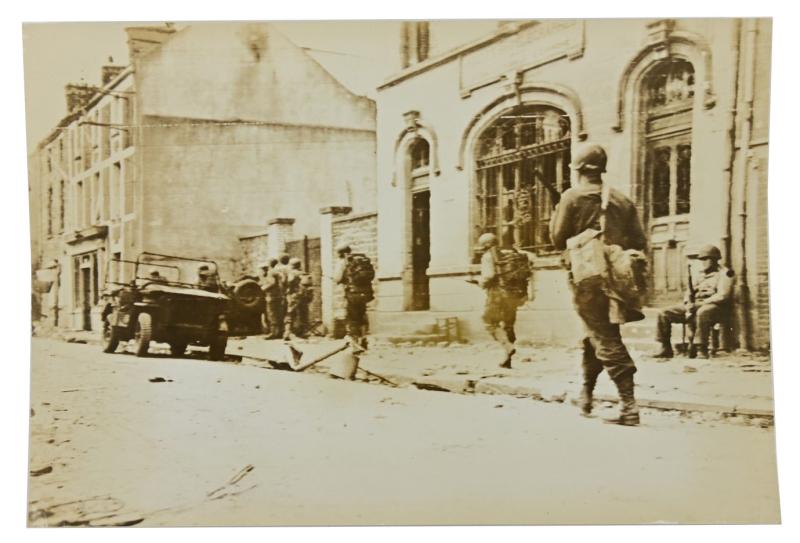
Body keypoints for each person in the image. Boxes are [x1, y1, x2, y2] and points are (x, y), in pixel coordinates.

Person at [550, 143, 647, 426]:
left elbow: (557, 239)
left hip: (587, 280)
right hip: (617, 279)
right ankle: (587, 395)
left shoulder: (572, 197)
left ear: (578, 170)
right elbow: (639, 242)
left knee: (605, 336)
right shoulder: (622, 200)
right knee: (595, 333)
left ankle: (629, 408)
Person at [653, 244, 733, 359]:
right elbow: (689, 291)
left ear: (715, 260)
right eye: (702, 259)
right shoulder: (699, 274)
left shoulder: (725, 274)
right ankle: (665, 347)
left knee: (703, 312)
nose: (703, 262)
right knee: (664, 313)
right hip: (695, 304)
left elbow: (723, 295)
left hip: (715, 307)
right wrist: (687, 302)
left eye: (706, 259)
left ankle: (702, 348)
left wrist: (701, 304)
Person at [475, 232, 531, 369]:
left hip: (497, 294)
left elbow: (488, 276)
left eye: (482, 245)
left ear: (486, 245)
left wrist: (479, 282)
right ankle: (507, 360)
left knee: (489, 321)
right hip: (514, 294)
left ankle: (507, 346)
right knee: (508, 325)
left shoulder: (489, 256)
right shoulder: (512, 253)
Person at [333, 243, 374, 351]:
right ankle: (364, 339)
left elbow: (337, 278)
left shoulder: (343, 262)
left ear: (340, 253)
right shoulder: (360, 259)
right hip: (365, 293)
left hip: (352, 293)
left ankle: (355, 344)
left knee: (352, 318)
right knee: (362, 315)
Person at [283, 257, 314, 340]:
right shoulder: (304, 273)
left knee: (290, 314)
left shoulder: (292, 273)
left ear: (292, 265)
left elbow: (287, 283)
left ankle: (287, 332)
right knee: (303, 314)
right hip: (304, 296)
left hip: (294, 296)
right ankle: (303, 332)